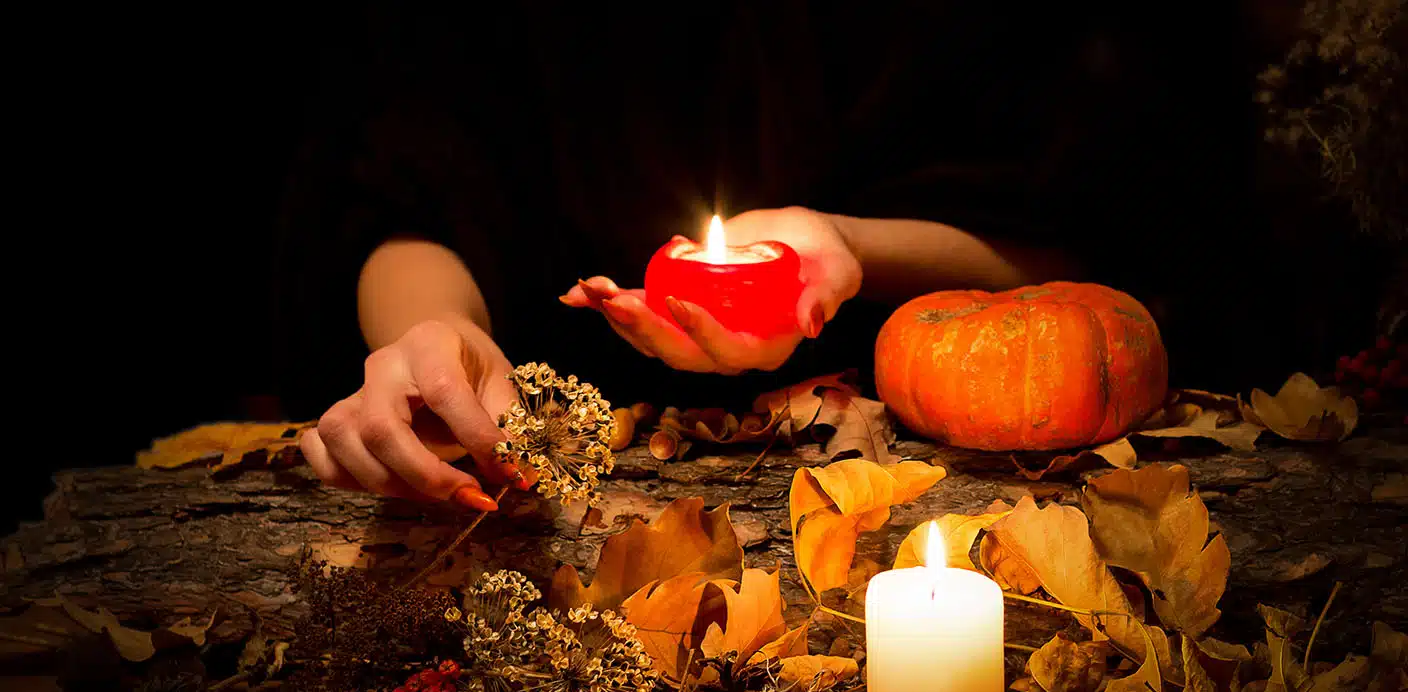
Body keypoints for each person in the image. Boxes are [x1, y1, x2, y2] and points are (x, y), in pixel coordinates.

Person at [279, 3, 1269, 509]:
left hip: (932, 452)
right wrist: (432, 337)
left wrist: (848, 249)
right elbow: (413, 182)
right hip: (556, 453)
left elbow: (1084, 246)